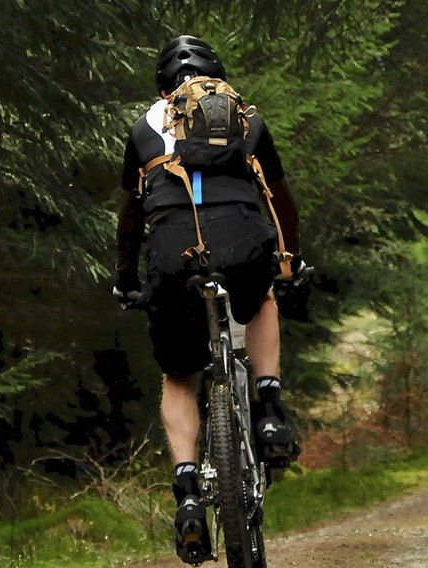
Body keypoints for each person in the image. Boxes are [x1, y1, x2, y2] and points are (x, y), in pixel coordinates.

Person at [112, 35, 303, 564]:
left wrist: (126, 276)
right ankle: (268, 410)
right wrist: (289, 259)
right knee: (261, 297)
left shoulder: (142, 128)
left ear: (162, 87)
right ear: (216, 76)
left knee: (179, 377)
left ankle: (190, 495)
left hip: (173, 252)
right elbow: (280, 198)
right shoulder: (245, 118)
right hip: (242, 240)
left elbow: (129, 219)